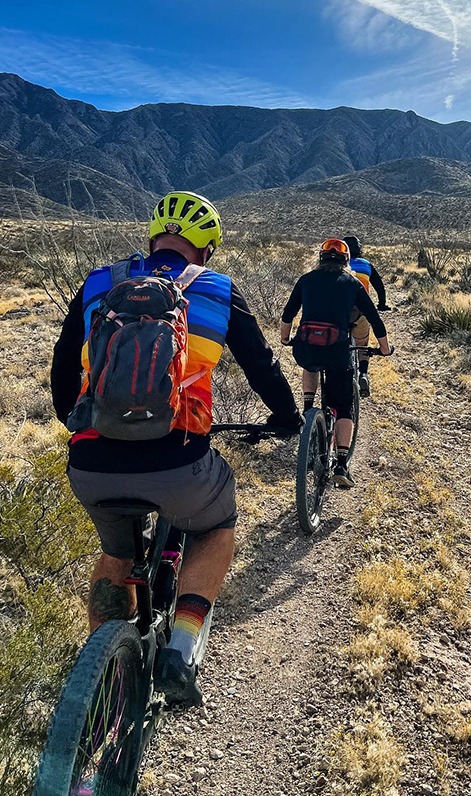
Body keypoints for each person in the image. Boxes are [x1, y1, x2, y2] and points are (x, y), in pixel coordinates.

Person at [51, 190, 302, 706]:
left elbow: (61, 368)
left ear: (152, 238)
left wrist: (79, 426)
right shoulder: (217, 288)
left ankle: (105, 679)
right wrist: (286, 416)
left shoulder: (99, 282)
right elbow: (262, 366)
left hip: (93, 460)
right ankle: (182, 650)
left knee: (116, 552)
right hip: (179, 461)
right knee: (215, 525)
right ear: (206, 249)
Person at [280, 238, 392, 489]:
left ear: (321, 259)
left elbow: (288, 314)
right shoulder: (352, 283)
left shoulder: (306, 280)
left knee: (310, 364)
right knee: (343, 405)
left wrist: (285, 338)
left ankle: (308, 408)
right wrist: (384, 349)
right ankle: (341, 464)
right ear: (346, 261)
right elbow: (374, 318)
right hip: (337, 352)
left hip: (306, 349)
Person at [343, 234, 391, 397]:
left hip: (340, 311)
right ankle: (363, 374)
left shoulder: (339, 266)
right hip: (362, 311)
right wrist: (382, 304)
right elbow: (379, 287)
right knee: (362, 343)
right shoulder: (366, 264)